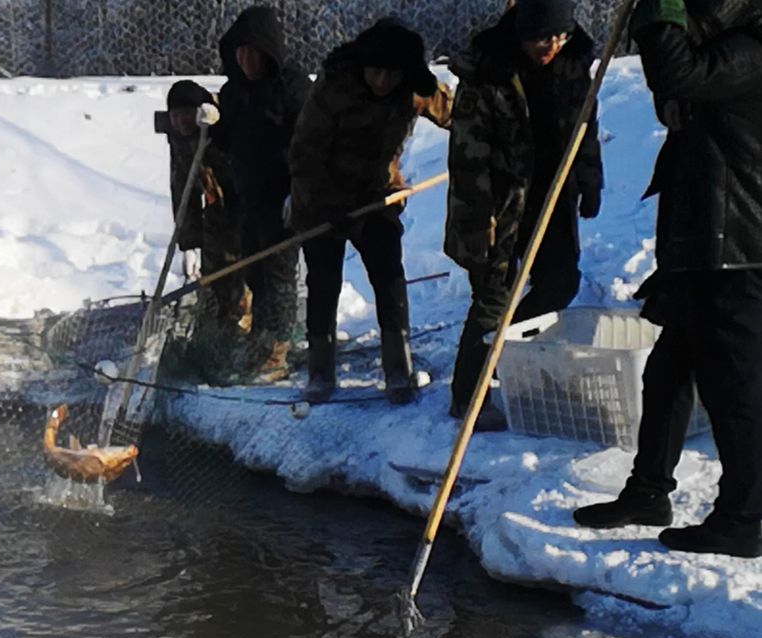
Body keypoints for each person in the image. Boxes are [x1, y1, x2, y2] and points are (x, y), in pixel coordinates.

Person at [572, 0, 762, 558]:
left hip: (740, 245)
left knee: (736, 390)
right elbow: (673, 89)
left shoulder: (754, 48)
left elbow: (681, 72)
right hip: (702, 236)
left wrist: (663, 4)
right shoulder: (731, 46)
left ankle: (744, 519)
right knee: (669, 372)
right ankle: (648, 490)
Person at [444, 0, 603, 430]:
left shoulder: (573, 65)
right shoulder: (487, 73)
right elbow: (467, 156)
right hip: (498, 203)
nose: (548, 46)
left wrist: (590, 179)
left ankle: (507, 360)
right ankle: (468, 395)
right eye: (538, 38)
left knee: (560, 281)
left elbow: (584, 125)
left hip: (552, 195)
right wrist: (477, 220)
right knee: (494, 295)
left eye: (557, 36)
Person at [289, 18, 452, 405]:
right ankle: (319, 370)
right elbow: (304, 152)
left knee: (388, 275)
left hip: (378, 194)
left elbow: (458, 115)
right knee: (323, 281)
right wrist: (327, 207)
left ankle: (398, 367)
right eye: (374, 72)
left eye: (390, 74)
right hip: (322, 196)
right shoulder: (335, 85)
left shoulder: (414, 87)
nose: (380, 81)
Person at [207, 4, 310, 375]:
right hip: (249, 196)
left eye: (254, 51)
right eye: (241, 51)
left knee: (280, 273)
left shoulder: (293, 87)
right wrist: (208, 126)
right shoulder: (234, 92)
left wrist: (298, 192)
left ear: (268, 50)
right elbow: (228, 139)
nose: (247, 59)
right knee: (255, 270)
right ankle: (262, 336)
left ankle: (277, 348)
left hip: (284, 196)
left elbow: (309, 142)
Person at [158, 79, 247, 383]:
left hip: (245, 207)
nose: (181, 120)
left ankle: (240, 336)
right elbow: (181, 186)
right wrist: (189, 240)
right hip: (216, 210)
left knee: (240, 275)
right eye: (176, 114)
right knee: (212, 276)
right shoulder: (178, 137)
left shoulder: (220, 127)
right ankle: (215, 335)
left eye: (187, 113)